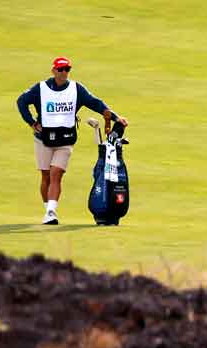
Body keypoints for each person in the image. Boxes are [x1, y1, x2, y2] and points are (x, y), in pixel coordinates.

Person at [16, 56, 127, 225]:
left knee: (56, 174)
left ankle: (51, 212)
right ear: (53, 71)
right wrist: (31, 122)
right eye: (60, 69)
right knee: (46, 176)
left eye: (67, 69)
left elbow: (96, 103)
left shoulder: (76, 89)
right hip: (43, 139)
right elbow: (21, 102)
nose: (64, 73)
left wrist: (116, 118)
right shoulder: (41, 88)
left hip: (66, 140)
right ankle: (48, 209)